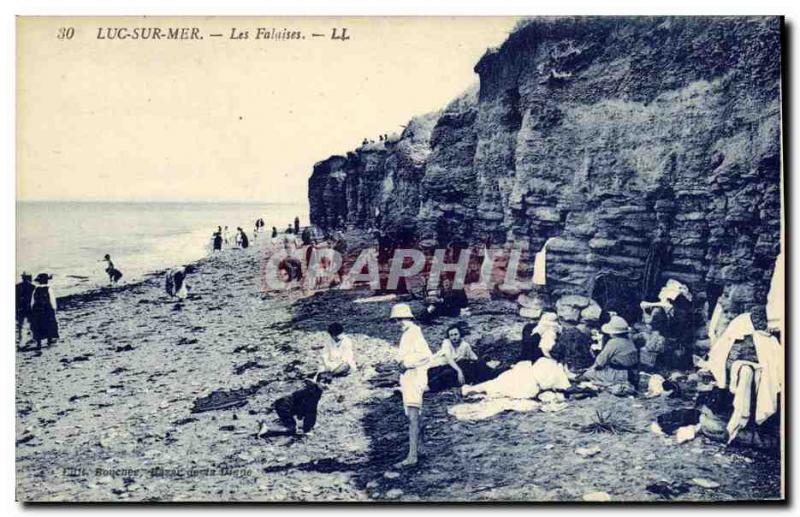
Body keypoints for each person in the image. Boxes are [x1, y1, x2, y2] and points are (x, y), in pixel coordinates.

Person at [462, 312, 570, 399]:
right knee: (515, 383)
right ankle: (476, 388)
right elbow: (528, 345)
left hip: (545, 363)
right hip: (527, 362)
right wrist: (539, 332)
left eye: (552, 320)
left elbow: (558, 350)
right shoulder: (531, 328)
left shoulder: (555, 332)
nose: (549, 323)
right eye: (545, 319)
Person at [390, 303, 432, 467]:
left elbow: (426, 355)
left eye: (400, 319)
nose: (398, 323)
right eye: (396, 320)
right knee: (414, 415)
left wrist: (406, 363)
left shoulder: (414, 332)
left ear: (407, 318)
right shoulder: (408, 333)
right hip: (409, 377)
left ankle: (412, 455)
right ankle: (420, 448)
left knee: (413, 417)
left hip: (414, 377)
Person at [426, 325, 496, 392]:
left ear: (460, 334)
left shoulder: (465, 345)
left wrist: (485, 363)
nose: (454, 337)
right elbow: (449, 359)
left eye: (456, 334)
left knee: (452, 373)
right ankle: (427, 388)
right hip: (436, 367)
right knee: (446, 373)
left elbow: (474, 358)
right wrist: (459, 371)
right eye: (451, 335)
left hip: (451, 368)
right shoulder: (446, 343)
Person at [581, 315, 639, 388]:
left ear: (612, 333)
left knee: (588, 374)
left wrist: (591, 368)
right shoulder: (629, 339)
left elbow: (600, 361)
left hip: (619, 374)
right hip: (633, 373)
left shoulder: (613, 342)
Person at [257, 378, 327, 438]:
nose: (326, 385)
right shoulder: (315, 392)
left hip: (285, 403)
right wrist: (307, 428)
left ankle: (274, 424)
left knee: (292, 424)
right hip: (285, 404)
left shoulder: (309, 389)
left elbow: (305, 408)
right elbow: (311, 410)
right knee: (291, 429)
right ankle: (268, 428)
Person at [30, 273, 59, 350]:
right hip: (47, 309)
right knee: (49, 324)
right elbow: (52, 300)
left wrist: (32, 310)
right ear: (47, 281)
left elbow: (32, 302)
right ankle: (49, 340)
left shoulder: (36, 289)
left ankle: (39, 343)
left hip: (37, 310)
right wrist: (54, 308)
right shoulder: (49, 289)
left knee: (38, 325)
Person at [16, 272, 35, 345]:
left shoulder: (17, 286)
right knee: (32, 324)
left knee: (21, 326)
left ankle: (22, 341)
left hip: (20, 309)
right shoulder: (33, 286)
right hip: (30, 308)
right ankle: (33, 338)